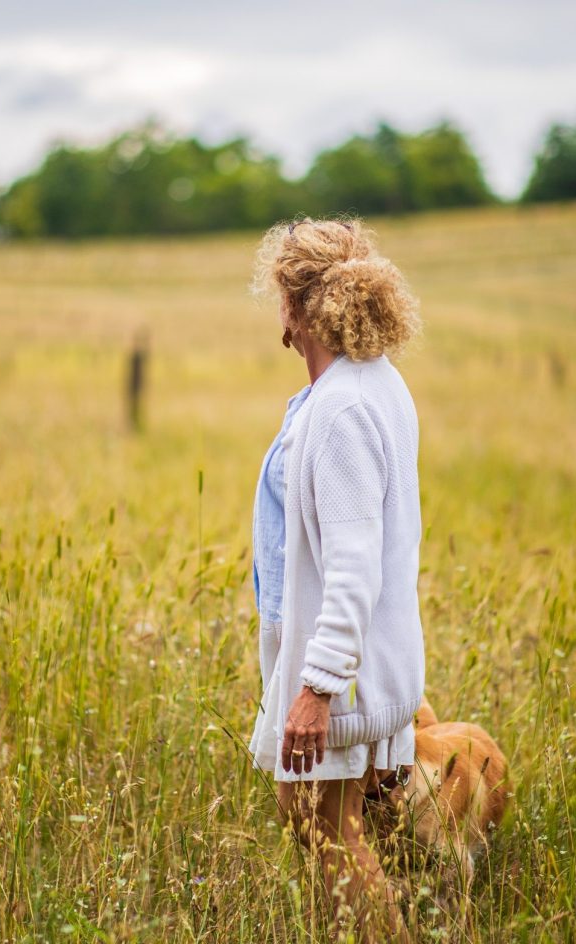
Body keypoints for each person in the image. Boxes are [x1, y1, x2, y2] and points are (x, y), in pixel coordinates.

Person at [248, 216, 426, 942]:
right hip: (344, 661)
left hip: (339, 675)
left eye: (278, 298)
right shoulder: (362, 386)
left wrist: (318, 688)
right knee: (319, 823)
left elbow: (353, 565)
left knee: (328, 831)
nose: (277, 314)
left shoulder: (346, 406)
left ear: (297, 308)